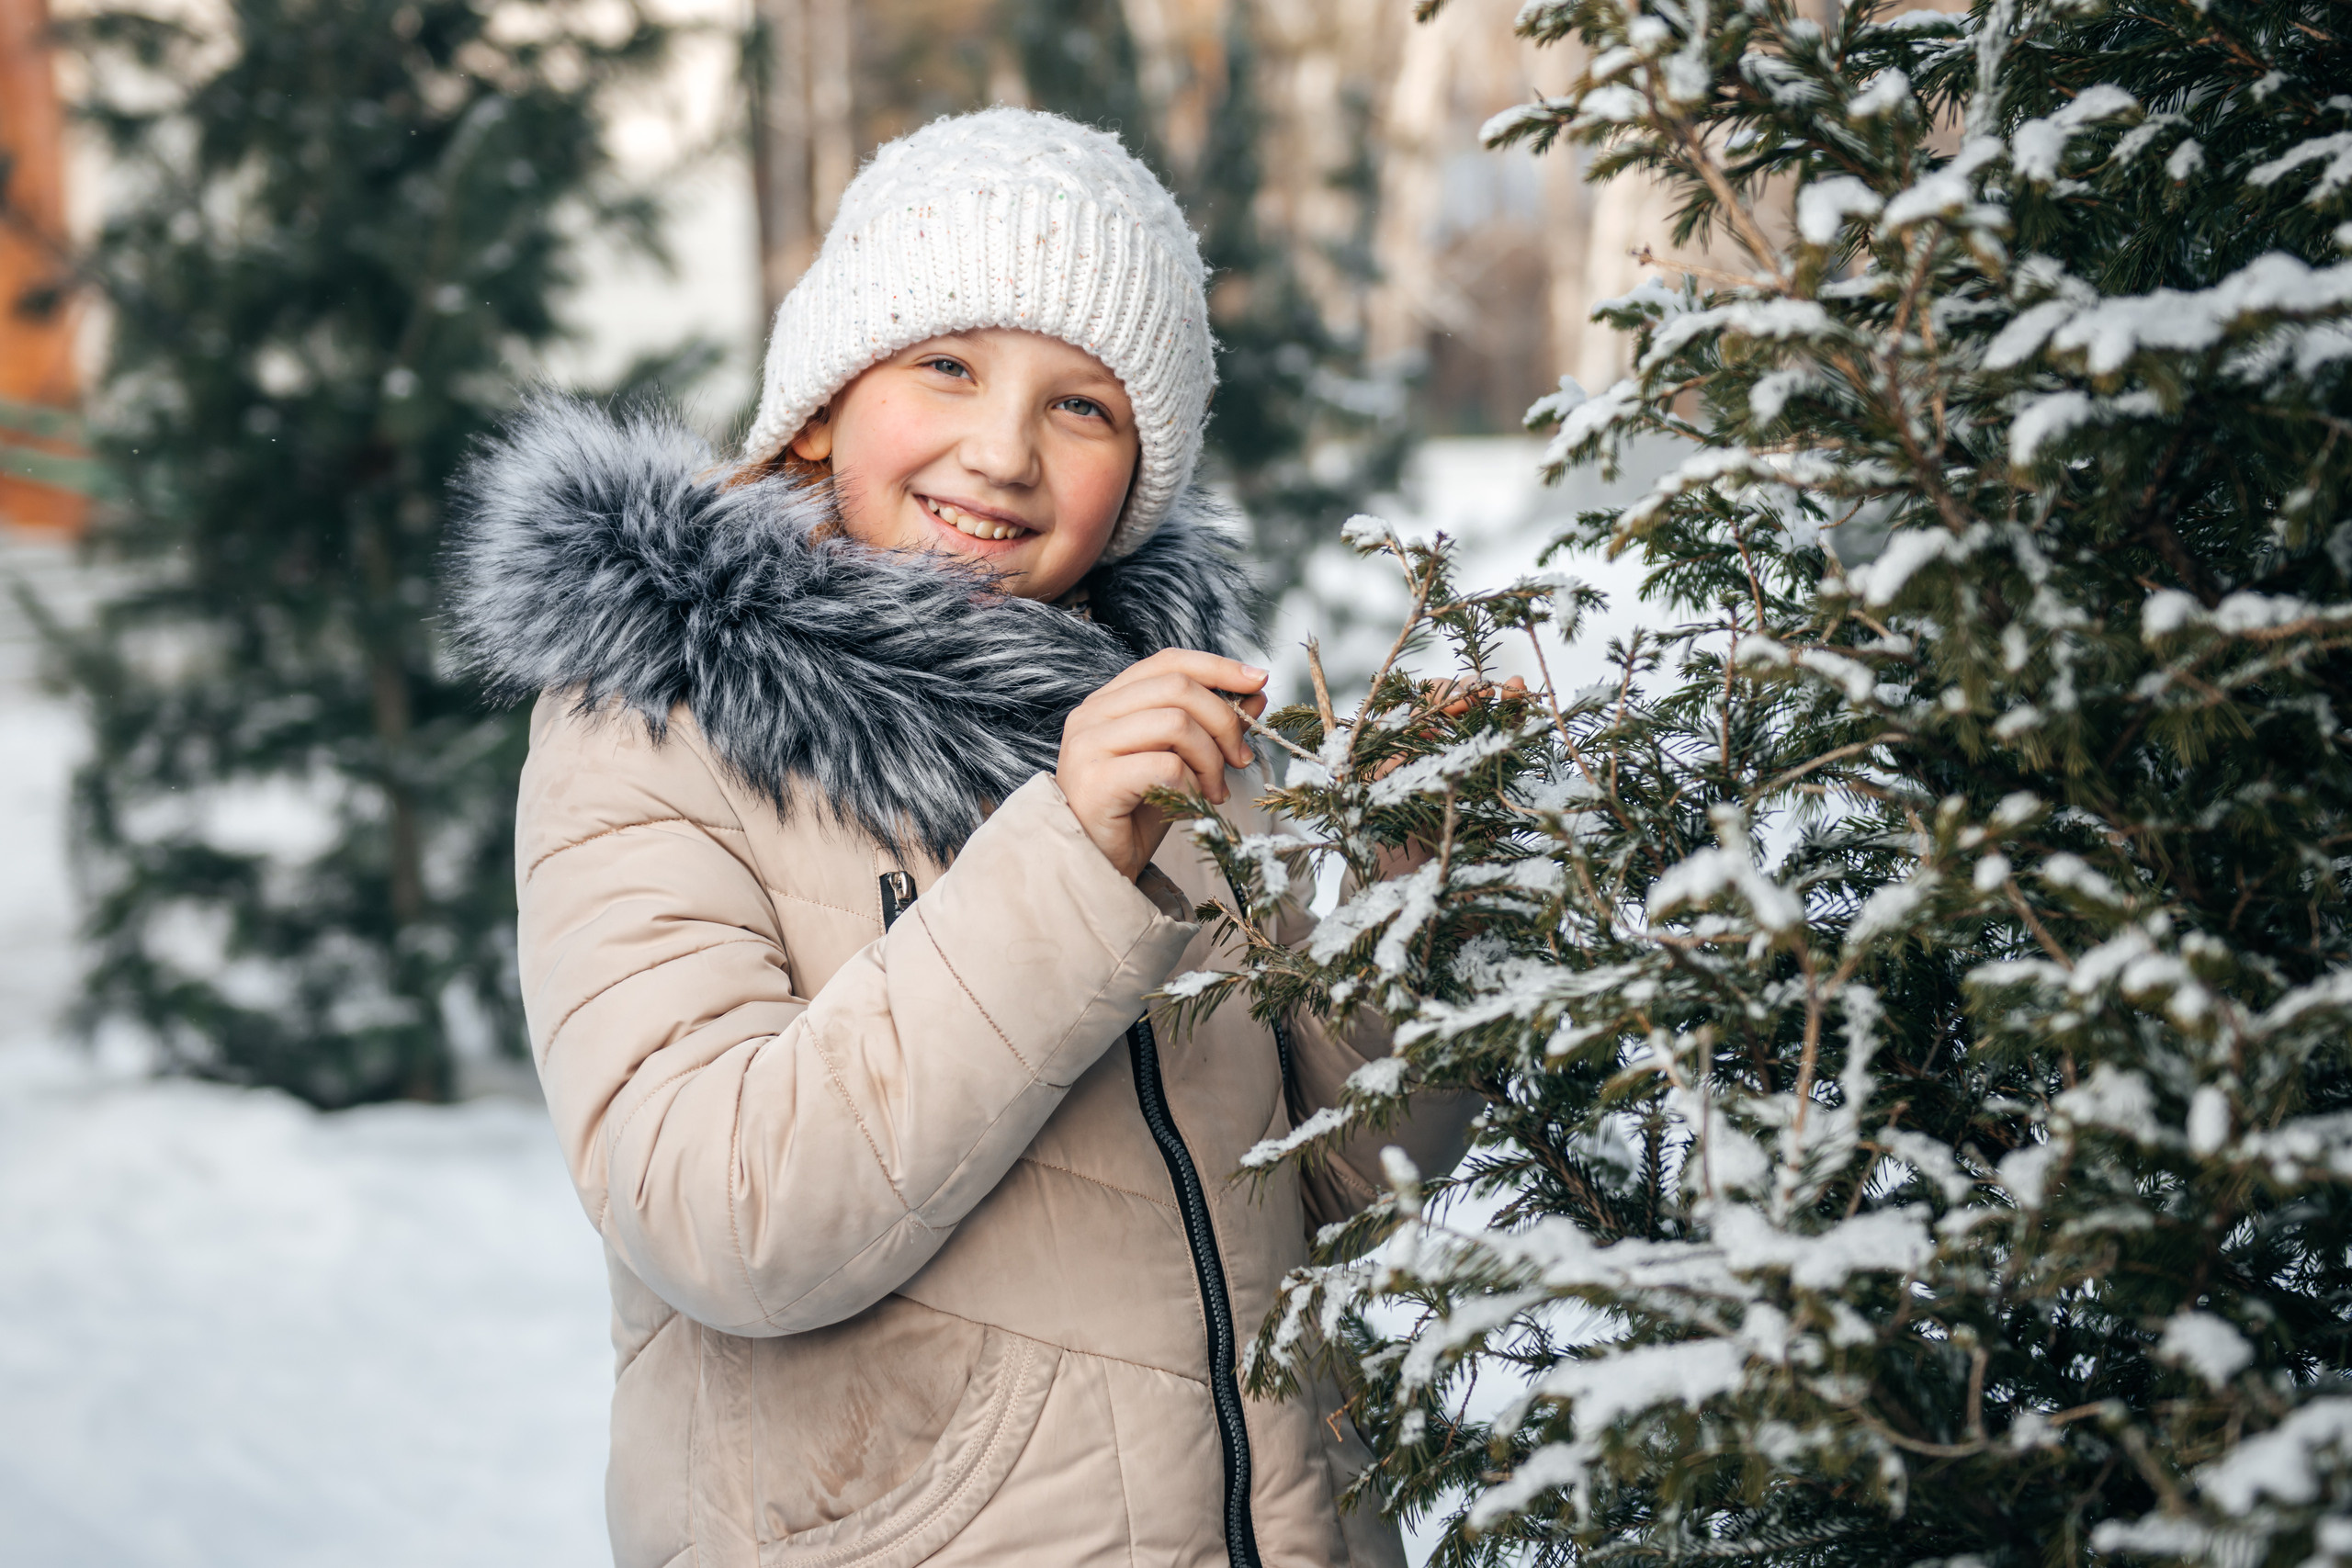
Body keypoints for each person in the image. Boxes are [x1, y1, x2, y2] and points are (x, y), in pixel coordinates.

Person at [448, 107, 1470, 1568]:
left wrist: (1400, 903)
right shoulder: (655, 722)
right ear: (818, 402)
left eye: (1084, 407)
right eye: (948, 366)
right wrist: (1065, 856)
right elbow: (724, 1212)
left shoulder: (1163, 730)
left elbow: (1329, 1194)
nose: (1002, 453)